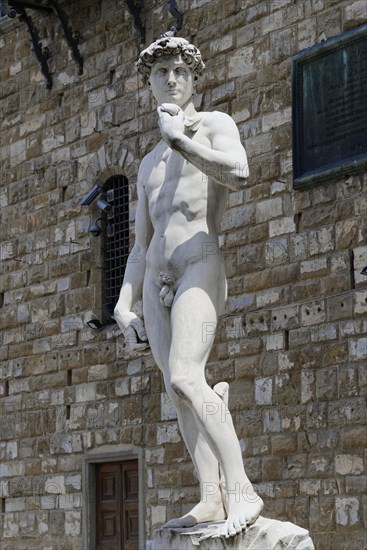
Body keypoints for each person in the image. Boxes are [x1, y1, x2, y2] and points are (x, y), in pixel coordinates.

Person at [114, 36, 263, 538]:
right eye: (161, 73)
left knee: (185, 375)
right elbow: (140, 244)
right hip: (157, 277)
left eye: (180, 70)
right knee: (178, 392)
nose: (171, 79)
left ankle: (242, 489)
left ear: (194, 77)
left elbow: (240, 173)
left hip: (200, 262)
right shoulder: (147, 164)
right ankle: (210, 494)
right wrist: (122, 303)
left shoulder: (214, 125)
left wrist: (181, 139)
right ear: (150, 83)